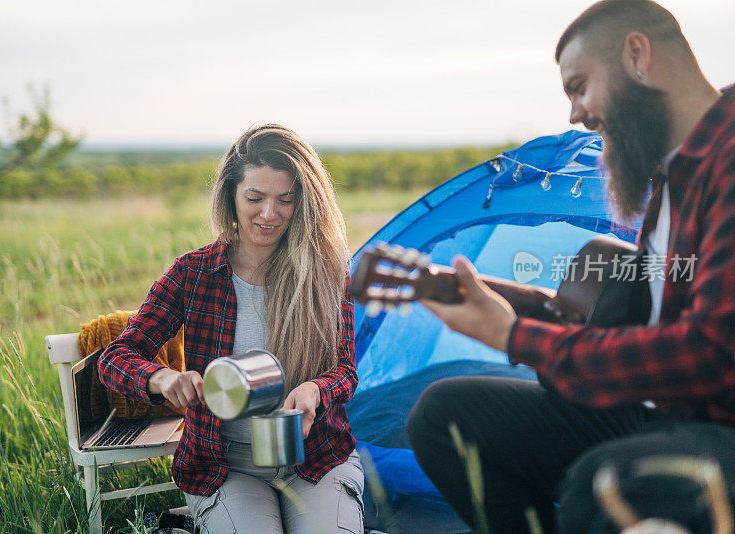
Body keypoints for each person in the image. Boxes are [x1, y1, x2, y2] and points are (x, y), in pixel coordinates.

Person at [406, 1, 735, 532]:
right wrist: (512, 304)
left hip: (720, 427)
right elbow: (655, 309)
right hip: (664, 412)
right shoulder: (673, 173)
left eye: (579, 86)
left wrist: (516, 337)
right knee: (445, 417)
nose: (574, 115)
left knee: (602, 482)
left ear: (637, 55)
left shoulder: (729, 156)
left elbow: (712, 350)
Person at [98, 124, 364, 533]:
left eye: (285, 200)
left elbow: (346, 372)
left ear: (305, 203)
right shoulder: (195, 273)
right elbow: (116, 356)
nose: (269, 214)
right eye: (254, 198)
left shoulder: (327, 275)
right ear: (231, 196)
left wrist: (315, 391)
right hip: (225, 465)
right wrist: (162, 378)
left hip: (317, 458)